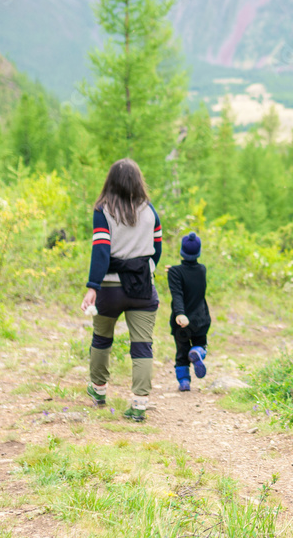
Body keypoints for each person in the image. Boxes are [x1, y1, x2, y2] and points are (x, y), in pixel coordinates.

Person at [80, 159, 162, 422]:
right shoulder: (149, 211)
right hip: (142, 287)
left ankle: (99, 390)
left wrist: (93, 287)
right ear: (138, 180)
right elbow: (156, 248)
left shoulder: (103, 210)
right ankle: (139, 404)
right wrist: (146, 269)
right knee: (142, 345)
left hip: (110, 289)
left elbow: (101, 250)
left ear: (110, 181)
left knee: (102, 338)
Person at [166, 231, 210, 391]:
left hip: (181, 322)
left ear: (181, 251)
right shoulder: (202, 270)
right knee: (201, 344)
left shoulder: (175, 272)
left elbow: (177, 294)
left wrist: (180, 313)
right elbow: (190, 275)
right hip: (201, 319)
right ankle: (197, 351)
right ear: (198, 252)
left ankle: (184, 382)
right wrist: (174, 271)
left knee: (181, 352)